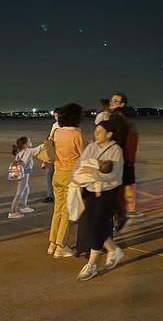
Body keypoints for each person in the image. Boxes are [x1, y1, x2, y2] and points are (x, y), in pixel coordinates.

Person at [71, 121, 125, 281]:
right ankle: (113, 250)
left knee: (97, 226)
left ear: (110, 134)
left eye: (100, 131)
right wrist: (79, 176)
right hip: (90, 191)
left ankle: (92, 265)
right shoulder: (91, 147)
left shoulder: (116, 151)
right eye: (96, 131)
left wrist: (92, 173)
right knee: (92, 223)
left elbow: (113, 175)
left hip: (107, 193)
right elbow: (80, 165)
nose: (97, 134)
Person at [48, 103, 86, 258]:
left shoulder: (57, 132)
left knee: (57, 210)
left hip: (57, 174)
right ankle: (61, 246)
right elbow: (85, 155)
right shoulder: (77, 135)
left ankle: (52, 244)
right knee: (67, 212)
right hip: (71, 176)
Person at [108, 92, 141, 219]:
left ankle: (118, 218)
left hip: (119, 161)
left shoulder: (116, 118)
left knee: (118, 192)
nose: (111, 102)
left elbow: (117, 142)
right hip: (126, 161)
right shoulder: (124, 119)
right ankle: (122, 215)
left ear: (122, 104)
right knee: (122, 190)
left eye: (115, 101)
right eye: (111, 100)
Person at [8, 137, 44, 218]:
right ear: (25, 144)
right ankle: (12, 211)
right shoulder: (28, 151)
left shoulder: (20, 151)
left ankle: (23, 206)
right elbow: (38, 149)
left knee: (26, 189)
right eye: (29, 141)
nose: (30, 142)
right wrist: (46, 143)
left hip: (21, 173)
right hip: (23, 174)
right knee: (19, 193)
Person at [41, 107, 60, 203]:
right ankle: (50, 194)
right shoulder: (55, 125)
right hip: (53, 152)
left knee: (53, 174)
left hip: (61, 154)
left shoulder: (62, 126)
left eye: (57, 115)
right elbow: (50, 139)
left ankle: (53, 194)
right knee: (49, 173)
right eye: (55, 116)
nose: (56, 117)